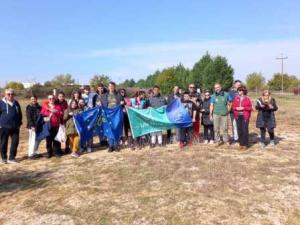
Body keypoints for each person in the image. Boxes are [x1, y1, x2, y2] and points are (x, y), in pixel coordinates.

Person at [0, 89, 22, 164]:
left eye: (12, 94)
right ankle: (3, 158)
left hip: (15, 127)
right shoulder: (1, 103)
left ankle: (12, 158)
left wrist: (19, 123)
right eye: (8, 94)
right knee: (3, 143)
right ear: (5, 95)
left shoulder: (16, 103)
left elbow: (19, 114)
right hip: (4, 127)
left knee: (15, 142)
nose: (10, 95)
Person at [101, 82, 123, 152]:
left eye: (112, 86)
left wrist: (123, 103)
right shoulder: (104, 95)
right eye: (110, 86)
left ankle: (116, 145)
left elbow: (123, 102)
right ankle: (110, 146)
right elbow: (100, 104)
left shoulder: (119, 95)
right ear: (108, 87)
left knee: (116, 129)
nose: (111, 87)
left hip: (116, 115)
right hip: (107, 115)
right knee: (109, 130)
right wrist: (99, 103)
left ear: (114, 87)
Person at [26, 95, 42, 159]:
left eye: (34, 99)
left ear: (36, 99)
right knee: (32, 140)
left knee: (38, 140)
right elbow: (29, 118)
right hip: (32, 126)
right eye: (32, 99)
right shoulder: (29, 107)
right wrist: (32, 126)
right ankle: (30, 154)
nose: (33, 100)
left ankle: (35, 152)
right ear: (30, 100)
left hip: (39, 126)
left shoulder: (39, 107)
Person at [229, 80, 242, 144]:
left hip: (241, 112)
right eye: (238, 85)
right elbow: (229, 102)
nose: (239, 86)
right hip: (233, 112)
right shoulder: (231, 92)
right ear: (234, 85)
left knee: (241, 125)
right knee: (234, 125)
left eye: (240, 85)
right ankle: (235, 139)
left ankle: (241, 138)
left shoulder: (242, 92)